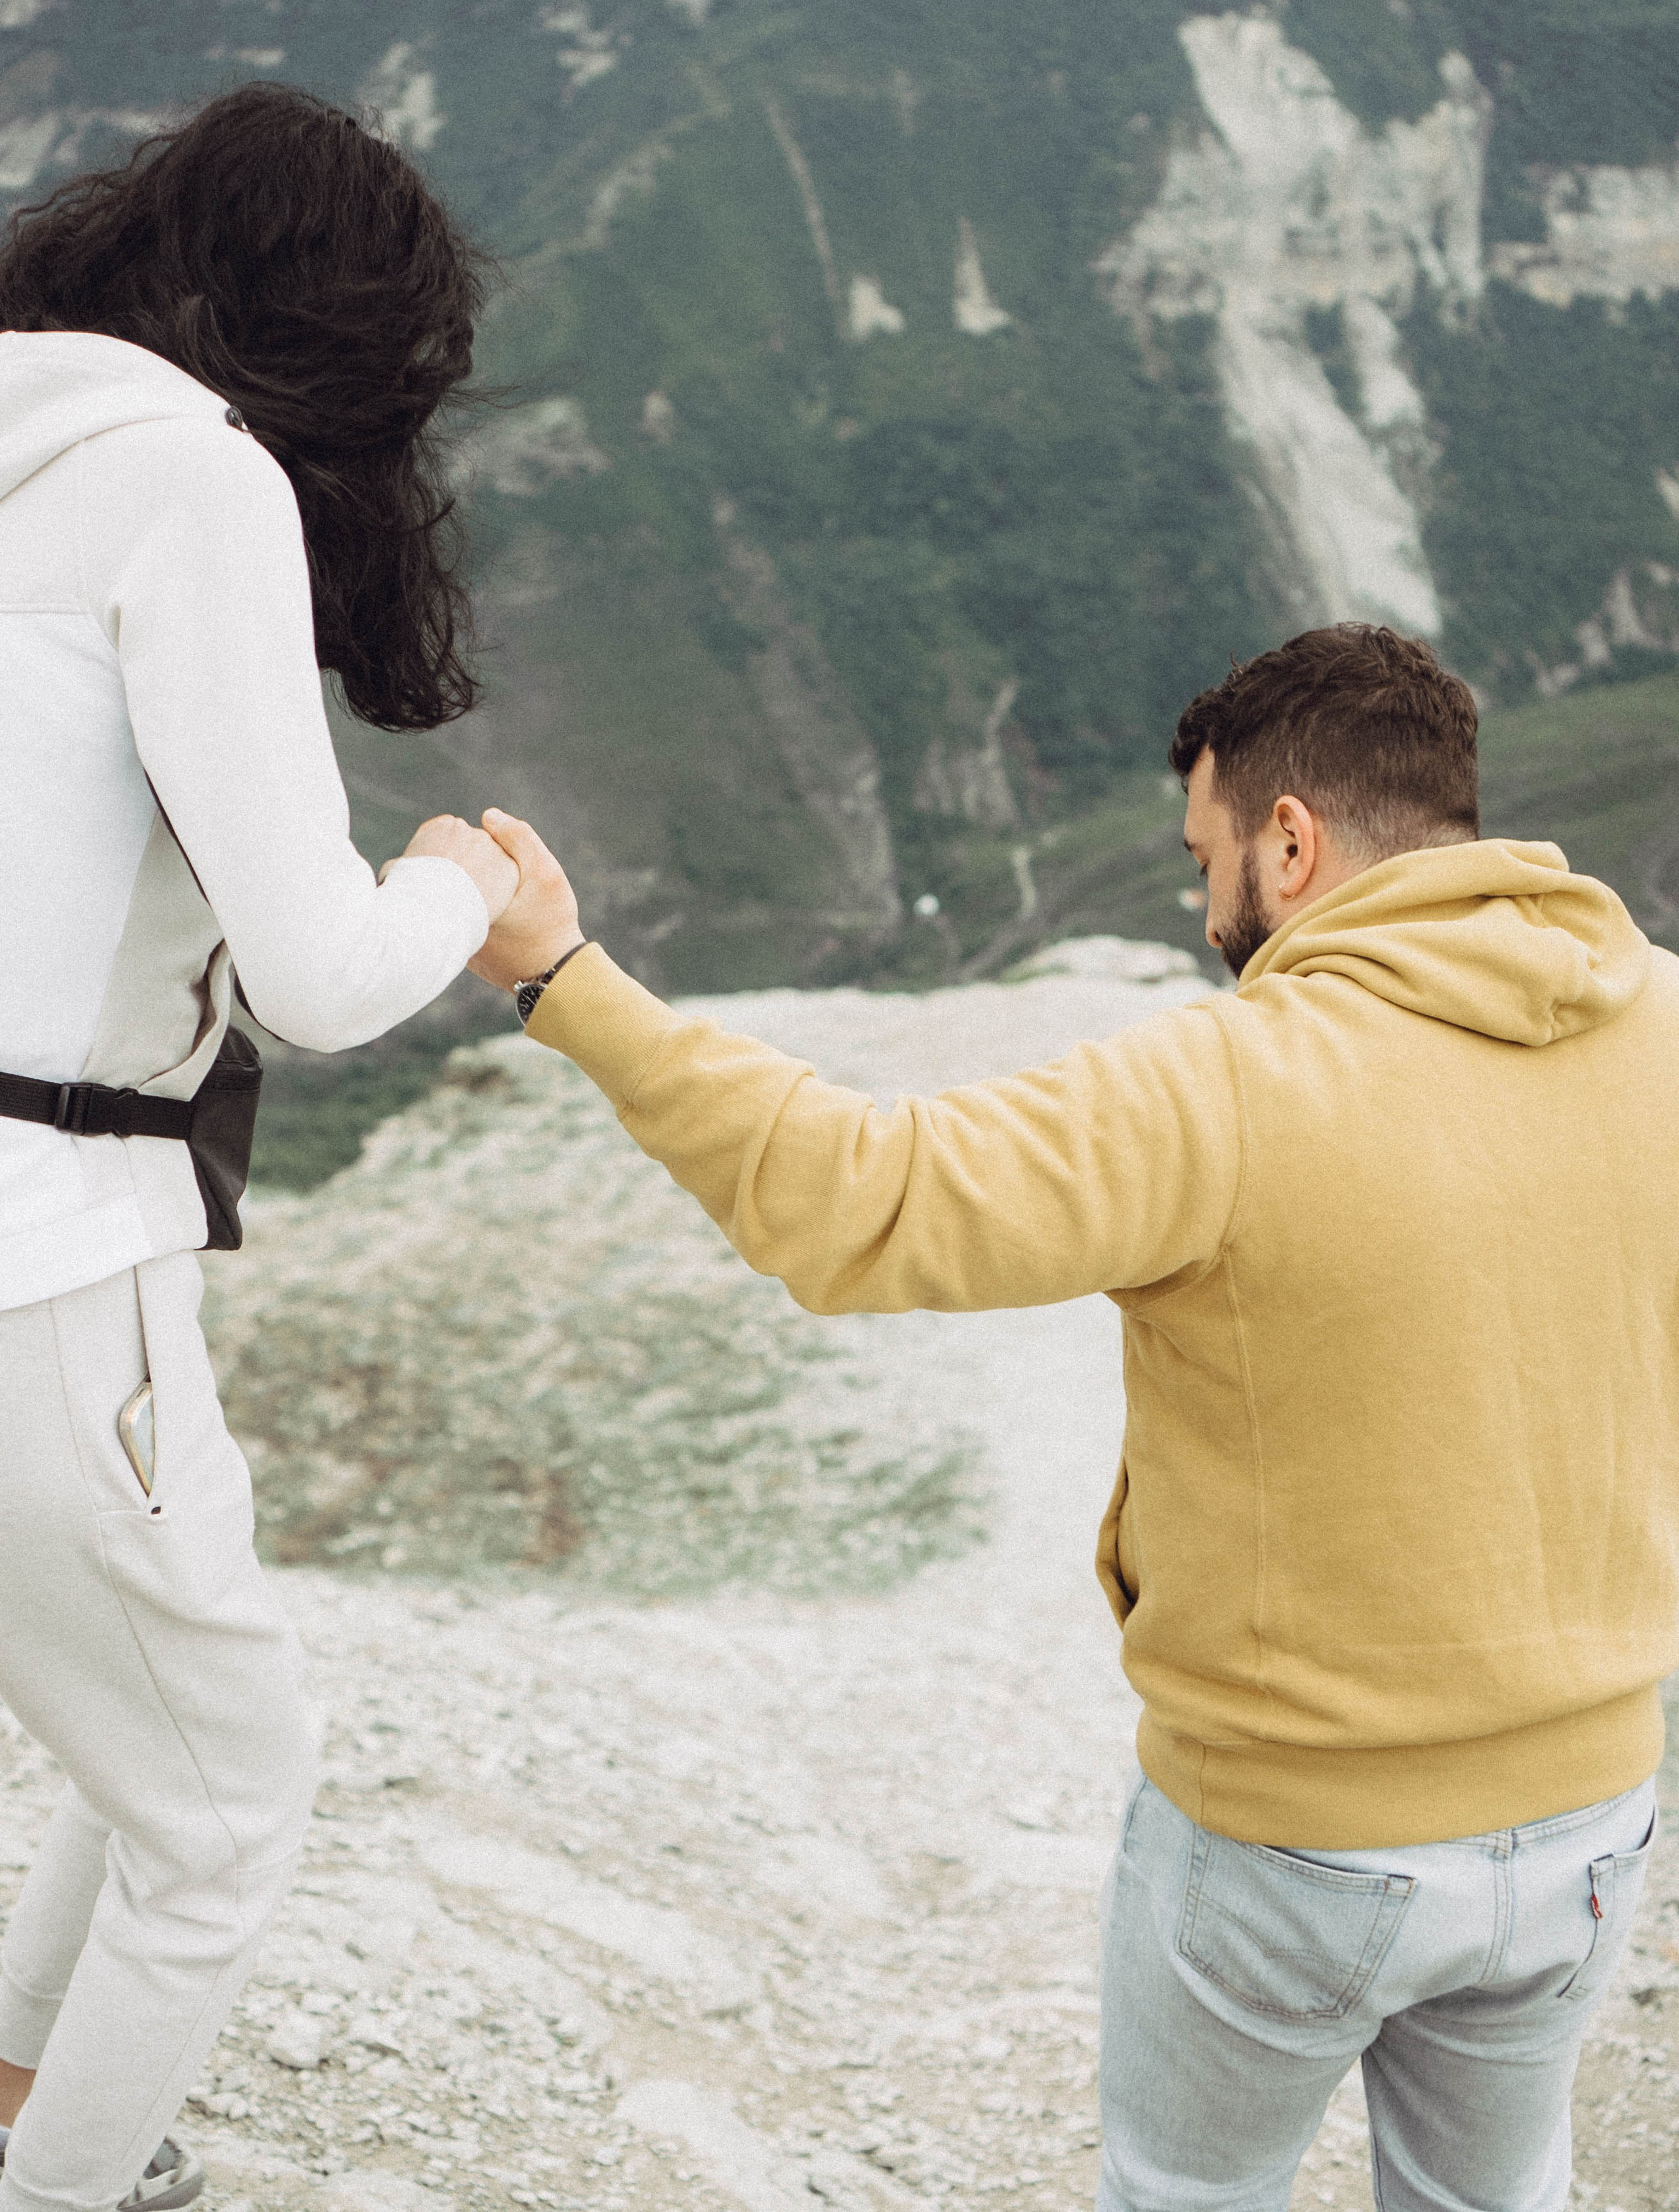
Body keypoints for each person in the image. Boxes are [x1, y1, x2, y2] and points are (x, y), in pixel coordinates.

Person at [466, 624, 1674, 2212]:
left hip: (1293, 1832)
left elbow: (860, 1200)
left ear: (1290, 842)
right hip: (1588, 1816)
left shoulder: (1229, 1084)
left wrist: (563, 978)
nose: (1201, 909)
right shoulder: (1654, 1016)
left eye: (1207, 857)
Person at [0, 87, 516, 2212]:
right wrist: (464, 887)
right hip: (40, 1244)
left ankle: (32, 2095)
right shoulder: (185, 485)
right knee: (232, 1807)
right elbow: (311, 973)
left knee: (155, 1745)